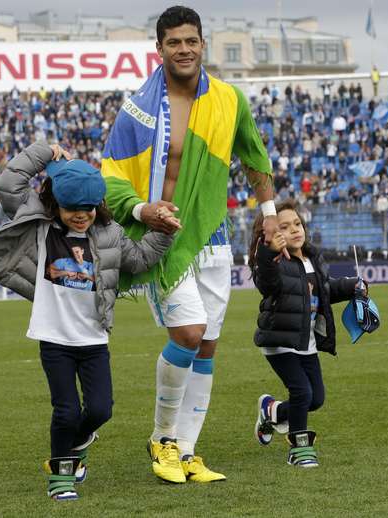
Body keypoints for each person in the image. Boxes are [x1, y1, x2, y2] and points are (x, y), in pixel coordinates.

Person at [101, 5, 279, 484]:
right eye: (173, 42)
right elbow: (111, 177)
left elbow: (255, 158)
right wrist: (143, 210)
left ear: (204, 44)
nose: (184, 49)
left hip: (213, 237)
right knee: (189, 333)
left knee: (209, 345)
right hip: (164, 241)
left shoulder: (229, 99)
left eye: (191, 41)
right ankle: (163, 438)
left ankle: (188, 451)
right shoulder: (136, 109)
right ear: (158, 49)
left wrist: (269, 216)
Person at [0, 141, 175, 500]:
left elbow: (139, 260)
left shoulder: (109, 234)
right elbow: (10, 183)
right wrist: (45, 151)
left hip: (93, 340)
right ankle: (61, 477)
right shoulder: (39, 224)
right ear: (56, 203)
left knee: (100, 410)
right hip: (54, 338)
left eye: (88, 208)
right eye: (72, 208)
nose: (81, 215)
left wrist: (165, 232)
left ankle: (75, 446)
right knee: (65, 410)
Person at [247, 199, 361, 467]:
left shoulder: (313, 258)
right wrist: (267, 252)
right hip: (279, 341)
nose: (295, 230)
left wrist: (352, 286)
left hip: (305, 341)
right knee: (301, 392)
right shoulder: (273, 262)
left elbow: (325, 291)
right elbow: (267, 281)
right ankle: (299, 449)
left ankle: (272, 411)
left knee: (316, 398)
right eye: (284, 227)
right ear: (271, 235)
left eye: (297, 224)